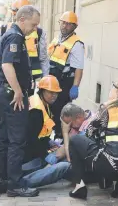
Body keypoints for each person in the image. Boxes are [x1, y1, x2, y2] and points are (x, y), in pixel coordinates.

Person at [0, 0, 49, 163]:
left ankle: (8, 167)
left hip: (30, 86)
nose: (33, 27)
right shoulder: (9, 32)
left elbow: (43, 59)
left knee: (17, 128)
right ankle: (4, 165)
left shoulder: (38, 33)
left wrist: (44, 81)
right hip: (13, 88)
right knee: (8, 129)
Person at [0, 5, 41, 197]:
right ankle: (15, 184)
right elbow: (6, 64)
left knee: (4, 137)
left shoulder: (14, 35)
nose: (34, 28)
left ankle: (2, 178)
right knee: (17, 140)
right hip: (14, 96)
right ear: (22, 19)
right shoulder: (15, 37)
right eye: (33, 24)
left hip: (7, 94)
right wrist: (19, 91)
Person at [68, 79, 118, 200]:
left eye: (114, 87)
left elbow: (90, 131)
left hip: (111, 166)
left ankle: (79, 186)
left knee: (75, 140)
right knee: (112, 145)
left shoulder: (108, 107)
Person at [48, 11, 84, 139]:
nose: (65, 26)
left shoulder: (77, 44)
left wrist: (75, 86)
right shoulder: (57, 38)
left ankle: (60, 138)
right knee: (50, 111)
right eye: (63, 23)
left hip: (64, 83)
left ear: (74, 26)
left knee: (61, 112)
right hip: (52, 81)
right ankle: (52, 135)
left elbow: (79, 67)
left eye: (69, 24)